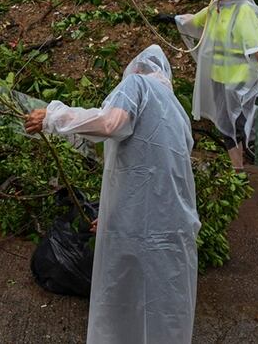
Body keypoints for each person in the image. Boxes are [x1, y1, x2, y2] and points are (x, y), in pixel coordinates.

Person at [24, 46, 199, 344]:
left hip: (141, 226)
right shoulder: (176, 111)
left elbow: (109, 123)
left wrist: (53, 117)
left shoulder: (138, 84)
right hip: (172, 224)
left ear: (136, 70)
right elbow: (150, 173)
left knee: (124, 294)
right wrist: (110, 215)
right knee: (162, 301)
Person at [174, 0, 258, 170]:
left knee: (238, 123)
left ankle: (248, 163)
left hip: (239, 77)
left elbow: (253, 40)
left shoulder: (242, 9)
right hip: (218, 75)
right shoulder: (215, 6)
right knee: (224, 123)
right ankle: (237, 168)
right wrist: (174, 19)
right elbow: (196, 21)